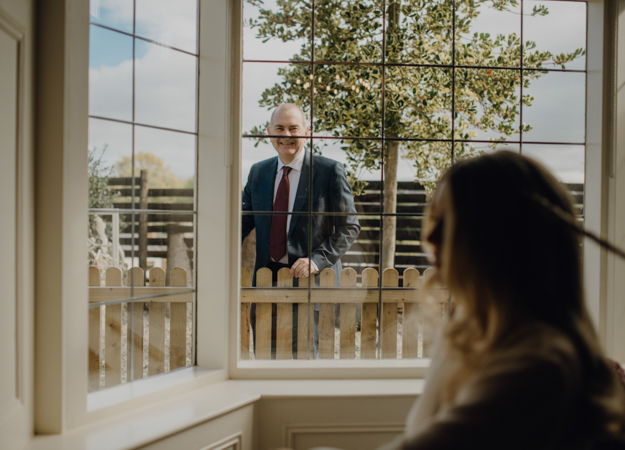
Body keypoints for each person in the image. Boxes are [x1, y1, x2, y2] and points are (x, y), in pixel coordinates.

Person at [317, 151, 625, 450]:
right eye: (433, 219)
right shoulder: (468, 331)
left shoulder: (539, 365)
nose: (432, 238)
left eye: (451, 222)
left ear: (504, 238)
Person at [242, 103, 360, 358]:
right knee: (265, 357)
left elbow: (349, 226)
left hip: (312, 283)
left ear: (307, 130)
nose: (286, 135)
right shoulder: (257, 172)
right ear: (269, 132)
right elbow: (242, 222)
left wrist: (316, 261)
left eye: (294, 128)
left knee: (305, 362)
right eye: (280, 128)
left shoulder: (329, 171)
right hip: (266, 280)